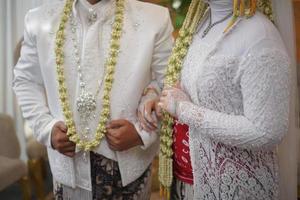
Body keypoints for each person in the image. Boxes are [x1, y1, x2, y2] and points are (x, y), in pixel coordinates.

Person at [13, 0, 173, 199]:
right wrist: (47, 128)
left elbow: (170, 85)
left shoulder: (154, 19)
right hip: (68, 171)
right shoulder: (39, 20)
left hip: (130, 171)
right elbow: (26, 81)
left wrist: (142, 132)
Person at [139, 0, 298, 199]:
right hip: (183, 182)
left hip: (230, 189)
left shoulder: (261, 37)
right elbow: (202, 87)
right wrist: (161, 98)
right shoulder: (202, 21)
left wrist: (183, 109)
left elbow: (266, 132)